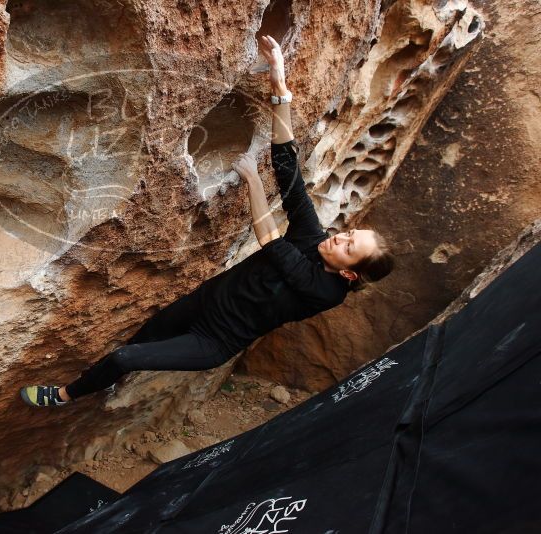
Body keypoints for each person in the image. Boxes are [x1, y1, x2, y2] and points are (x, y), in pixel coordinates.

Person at [20, 35, 395, 408]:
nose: (340, 238)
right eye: (348, 233)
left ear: (350, 275)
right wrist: (280, 85)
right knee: (139, 342)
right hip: (203, 302)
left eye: (349, 247)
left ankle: (66, 395)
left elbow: (273, 243)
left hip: (213, 341)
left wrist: (252, 181)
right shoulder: (315, 238)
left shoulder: (325, 292)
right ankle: (112, 376)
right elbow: (289, 171)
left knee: (123, 358)